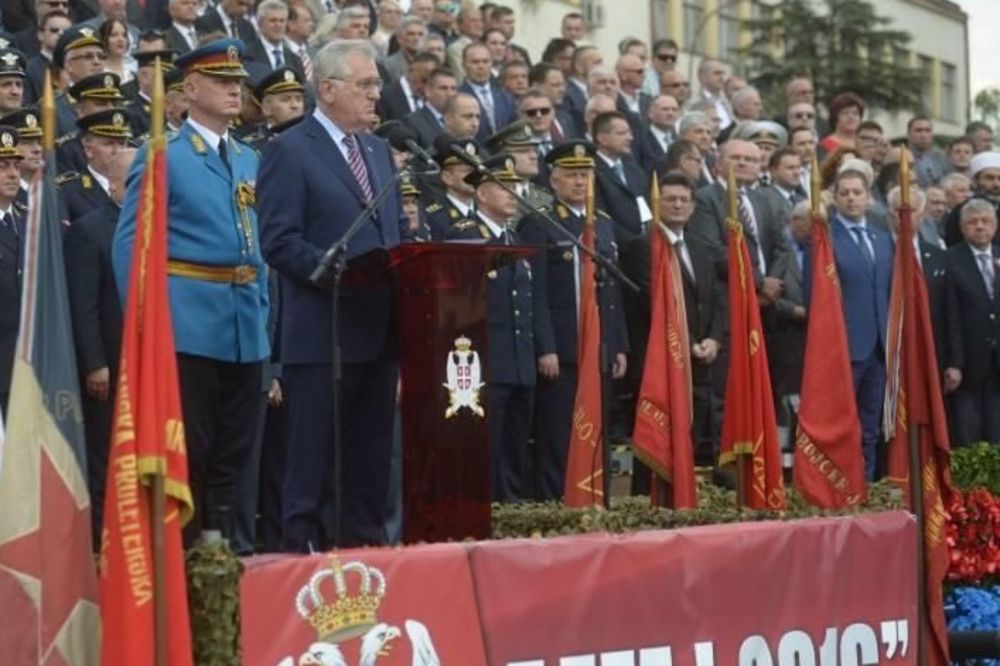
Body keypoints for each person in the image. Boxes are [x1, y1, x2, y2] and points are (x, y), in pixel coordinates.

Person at [113, 38, 270, 543]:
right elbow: (131, 247)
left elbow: (259, 247)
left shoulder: (249, 158)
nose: (233, 91)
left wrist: (264, 315)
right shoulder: (164, 155)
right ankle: (185, 562)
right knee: (192, 451)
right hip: (187, 327)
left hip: (245, 324)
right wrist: (143, 329)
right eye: (223, 82)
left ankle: (220, 553)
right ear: (191, 88)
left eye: (237, 83)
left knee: (235, 453)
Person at [258, 39, 407, 551]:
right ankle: (302, 568)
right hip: (322, 335)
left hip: (378, 333)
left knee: (368, 469)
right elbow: (278, 241)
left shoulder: (379, 150)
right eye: (365, 85)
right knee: (311, 470)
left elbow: (392, 239)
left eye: (377, 84)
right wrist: (331, 271)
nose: (376, 94)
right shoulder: (288, 150)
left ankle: (368, 562)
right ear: (328, 89)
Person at [518, 140, 629, 502]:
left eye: (586, 175)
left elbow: (613, 293)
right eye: (572, 175)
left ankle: (597, 501)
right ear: (554, 180)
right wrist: (545, 347)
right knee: (558, 436)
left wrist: (619, 345)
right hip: (563, 349)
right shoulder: (541, 223)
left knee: (598, 433)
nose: (580, 182)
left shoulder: (604, 226)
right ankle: (557, 506)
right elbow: (536, 293)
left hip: (599, 348)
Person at [445, 154, 538, 502]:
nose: (514, 193)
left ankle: (510, 508)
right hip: (485, 361)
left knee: (515, 444)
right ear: (482, 194)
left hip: (518, 361)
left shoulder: (514, 238)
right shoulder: (465, 236)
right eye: (505, 187)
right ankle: (485, 507)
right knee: (487, 444)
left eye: (515, 186)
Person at [620, 170, 726, 474]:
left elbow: (716, 300)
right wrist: (690, 342)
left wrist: (714, 339)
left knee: (695, 440)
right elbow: (655, 303)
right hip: (663, 361)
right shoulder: (642, 247)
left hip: (702, 362)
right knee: (659, 445)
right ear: (656, 204)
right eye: (670, 200)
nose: (677, 205)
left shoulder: (702, 247)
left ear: (693, 206)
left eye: (683, 200)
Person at [64, 142, 133, 545]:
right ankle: (103, 543)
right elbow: (84, 304)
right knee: (106, 455)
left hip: (147, 363)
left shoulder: (158, 228)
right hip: (109, 362)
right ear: (113, 187)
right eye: (132, 182)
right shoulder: (91, 230)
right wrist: (95, 363)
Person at [827, 168, 893, 479]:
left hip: (879, 345)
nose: (852, 198)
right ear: (835, 198)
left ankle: (865, 485)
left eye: (857, 192)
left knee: (871, 424)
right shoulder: (826, 239)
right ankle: (841, 485)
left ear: (869, 198)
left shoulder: (883, 240)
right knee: (841, 423)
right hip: (844, 347)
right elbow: (820, 300)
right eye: (845, 193)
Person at [688, 139, 788, 300]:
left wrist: (772, 286)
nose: (743, 163)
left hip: (769, 300)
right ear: (718, 164)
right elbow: (713, 250)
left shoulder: (761, 199)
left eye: (751, 160)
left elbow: (780, 246)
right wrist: (759, 283)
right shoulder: (704, 199)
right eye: (735, 158)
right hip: (729, 298)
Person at [945, 199, 1000, 446]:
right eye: (972, 222)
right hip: (968, 362)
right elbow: (950, 315)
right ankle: (971, 486)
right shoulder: (950, 260)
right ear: (962, 227)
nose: (980, 227)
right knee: (969, 431)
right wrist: (954, 363)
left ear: (995, 224)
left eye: (985, 221)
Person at [58, 107, 130, 223]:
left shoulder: (136, 186)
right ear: (88, 150)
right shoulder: (68, 191)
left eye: (122, 144)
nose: (117, 151)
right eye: (109, 144)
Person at [591, 110, 650, 245]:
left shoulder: (635, 171)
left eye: (629, 132)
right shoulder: (592, 172)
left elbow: (648, 208)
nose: (630, 138)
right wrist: (636, 243)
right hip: (618, 249)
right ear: (602, 139)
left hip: (645, 247)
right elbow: (601, 217)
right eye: (622, 133)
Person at [0, 126, 27, 417]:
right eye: (2, 165)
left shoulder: (27, 221)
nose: (12, 173)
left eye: (16, 165)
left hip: (27, 368)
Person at [424, 134, 478, 239]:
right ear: (447, 177)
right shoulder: (435, 216)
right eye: (467, 171)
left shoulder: (486, 212)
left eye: (476, 171)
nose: (475, 176)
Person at [459, 40, 514, 142]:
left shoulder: (505, 97)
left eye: (485, 61)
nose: (481, 66)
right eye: (475, 62)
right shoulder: (458, 96)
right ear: (464, 65)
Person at [242, 65, 305, 150]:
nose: (295, 105)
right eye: (286, 99)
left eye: (299, 99)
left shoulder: (316, 140)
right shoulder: (252, 147)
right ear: (267, 108)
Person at [245, 0, 304, 74]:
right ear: (260, 24)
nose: (278, 25)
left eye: (282, 21)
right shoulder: (248, 55)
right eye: (273, 21)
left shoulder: (295, 60)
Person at [402, 65, 454, 148]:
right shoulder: (413, 122)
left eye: (453, 89)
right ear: (428, 91)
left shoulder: (458, 119)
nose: (450, 94)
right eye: (443, 88)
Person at [377, 51, 436, 123]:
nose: (426, 87)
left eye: (431, 84)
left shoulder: (430, 102)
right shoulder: (384, 96)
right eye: (423, 80)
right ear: (410, 70)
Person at [908, 116, 949, 188]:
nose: (923, 135)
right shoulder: (901, 158)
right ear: (909, 134)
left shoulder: (942, 159)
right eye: (918, 130)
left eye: (928, 131)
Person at [695, 58, 732, 131]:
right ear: (702, 77)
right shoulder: (693, 103)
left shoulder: (727, 103)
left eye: (723, 73)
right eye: (717, 73)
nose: (722, 78)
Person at [99, 17, 134, 84]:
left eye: (124, 35)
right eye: (114, 35)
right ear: (104, 39)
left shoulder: (132, 75)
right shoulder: (98, 72)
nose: (120, 39)